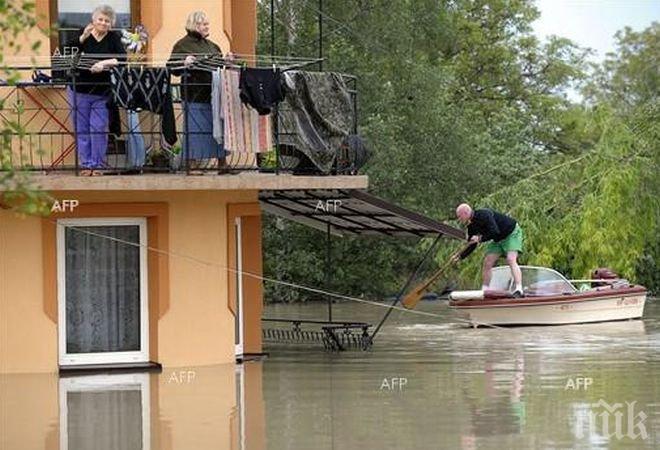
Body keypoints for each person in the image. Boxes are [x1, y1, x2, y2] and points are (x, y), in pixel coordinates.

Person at [66, 4, 125, 176]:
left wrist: (103, 63)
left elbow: (122, 59)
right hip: (79, 90)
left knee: (98, 128)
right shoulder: (82, 34)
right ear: (93, 20)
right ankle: (86, 165)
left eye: (107, 21)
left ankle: (97, 165)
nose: (103, 23)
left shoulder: (114, 38)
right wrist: (83, 37)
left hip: (103, 92)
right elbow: (66, 52)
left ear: (111, 24)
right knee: (82, 129)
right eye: (100, 19)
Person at [167, 11, 226, 174]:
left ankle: (223, 163)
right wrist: (184, 62)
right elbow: (171, 68)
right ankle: (191, 165)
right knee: (194, 130)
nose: (208, 27)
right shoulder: (182, 45)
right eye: (205, 24)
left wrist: (228, 61)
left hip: (215, 94)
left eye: (208, 24)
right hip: (194, 94)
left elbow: (221, 65)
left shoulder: (213, 46)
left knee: (218, 129)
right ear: (195, 25)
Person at [455, 203, 524, 297]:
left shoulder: (484, 214)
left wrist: (480, 239)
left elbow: (494, 231)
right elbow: (471, 244)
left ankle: (519, 289)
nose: (459, 219)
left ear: (466, 212)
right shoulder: (471, 226)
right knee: (487, 262)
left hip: (511, 233)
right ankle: (485, 291)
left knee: (511, 259)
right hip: (498, 239)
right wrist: (460, 256)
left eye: (459, 216)